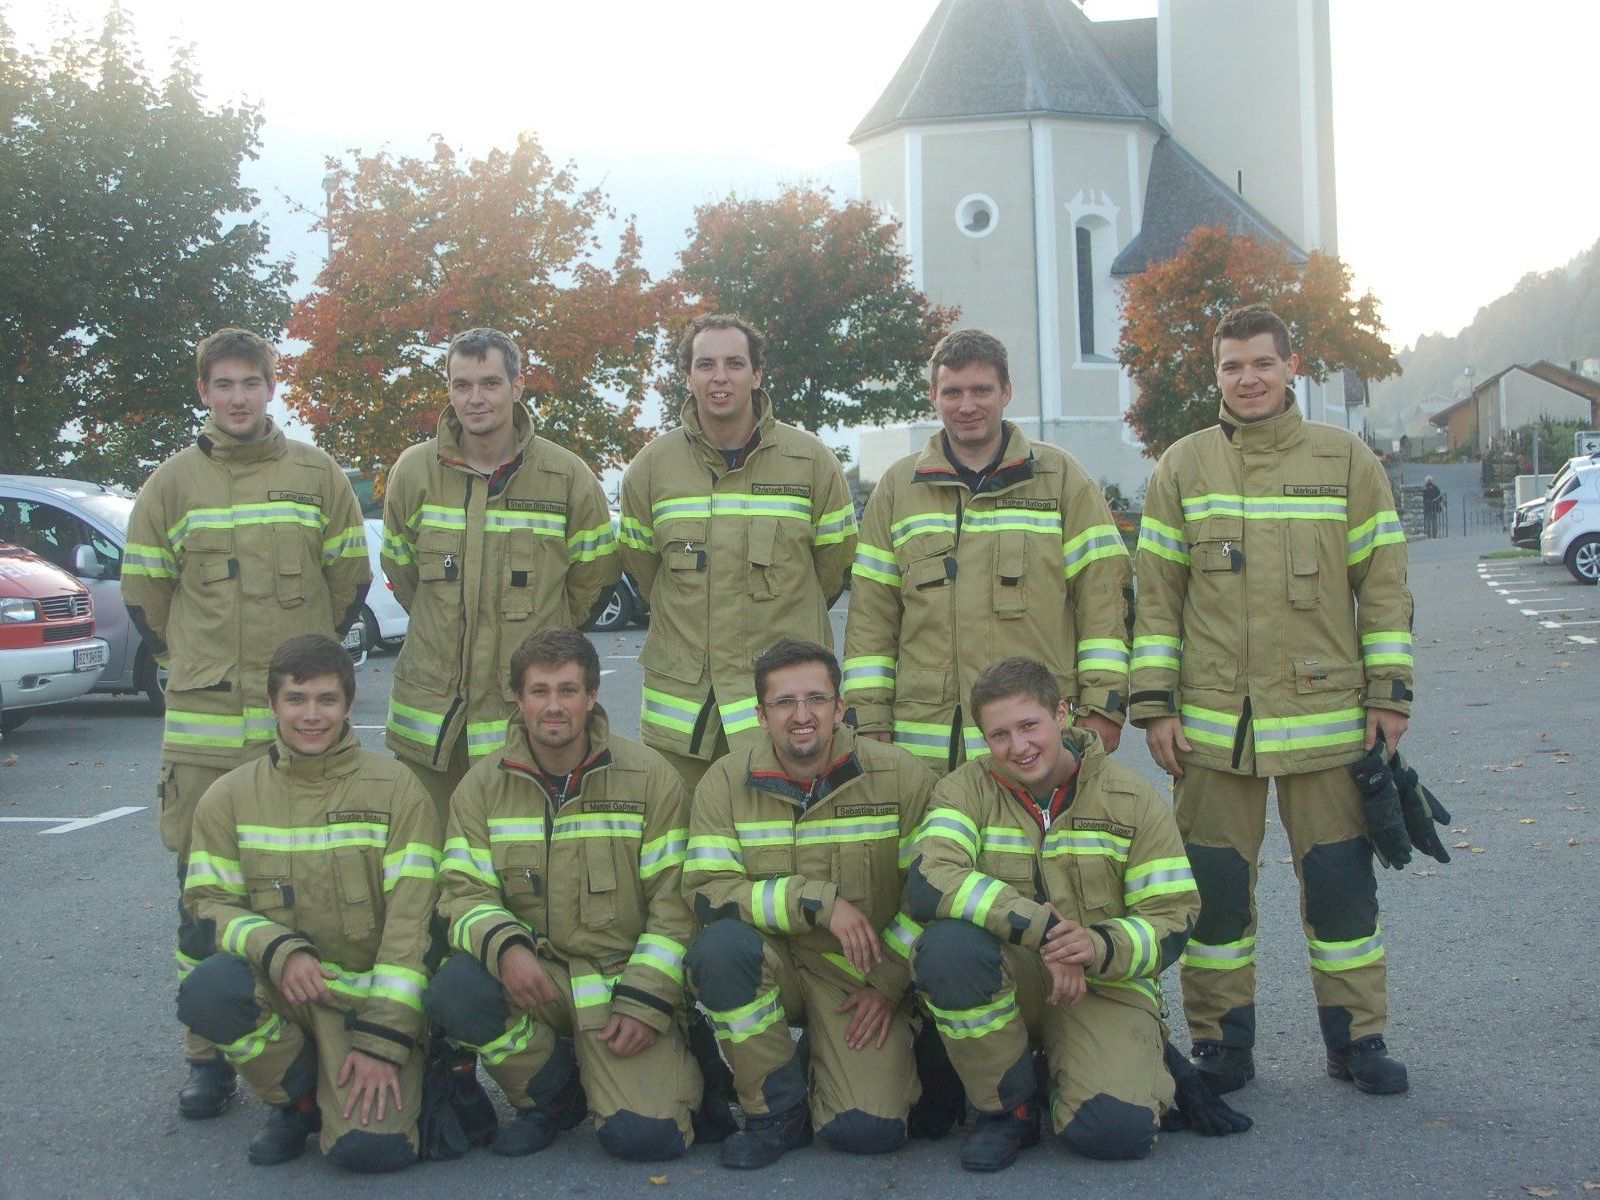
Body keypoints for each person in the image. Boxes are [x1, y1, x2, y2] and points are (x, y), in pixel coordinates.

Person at [1132, 304, 1414, 1096]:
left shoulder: (1346, 459)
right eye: (1232, 366)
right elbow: (1156, 598)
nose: (1248, 378)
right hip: (1214, 729)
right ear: (1216, 374)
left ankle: (1358, 1039)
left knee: (1341, 886)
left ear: (1292, 367)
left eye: (1262, 363)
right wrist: (1156, 706)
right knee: (1216, 893)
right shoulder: (1183, 466)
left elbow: (1384, 585)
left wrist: (1390, 695)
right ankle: (1221, 1044)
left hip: (1329, 721)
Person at [122, 328, 371, 1119]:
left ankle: (309, 1041)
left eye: (250, 382)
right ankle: (208, 1055)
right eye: (222, 384)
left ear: (271, 386)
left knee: (316, 887)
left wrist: (305, 670)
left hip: (298, 735)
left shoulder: (317, 475)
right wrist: (196, 662)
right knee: (202, 894)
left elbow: (348, 580)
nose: (237, 397)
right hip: (204, 735)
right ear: (203, 391)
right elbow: (146, 597)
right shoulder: (170, 485)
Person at [906, 657, 1200, 1172]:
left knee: (1114, 1133)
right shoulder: (962, 790)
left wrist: (1097, 946)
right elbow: (931, 878)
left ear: (1061, 714)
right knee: (948, 949)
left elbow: (1173, 917)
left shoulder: (1132, 798)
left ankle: (1075, 1070)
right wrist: (1044, 932)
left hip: (1101, 982)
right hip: (1010, 976)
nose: (1017, 747)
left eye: (1029, 726)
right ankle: (1006, 1110)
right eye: (999, 735)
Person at [424, 627, 702, 1161]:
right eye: (540, 691)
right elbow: (461, 892)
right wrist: (506, 947)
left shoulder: (649, 778)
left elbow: (676, 903)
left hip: (621, 981)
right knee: (456, 988)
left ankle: (677, 1056)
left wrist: (646, 999)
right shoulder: (481, 787)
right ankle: (548, 1098)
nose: (554, 706)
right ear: (518, 698)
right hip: (536, 976)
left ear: (592, 696)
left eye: (568, 690)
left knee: (645, 1140)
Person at [176, 635, 440, 1172]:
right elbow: (207, 905)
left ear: (349, 704)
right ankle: (295, 1102)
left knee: (370, 1153)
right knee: (210, 989)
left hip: (366, 1006)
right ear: (273, 704)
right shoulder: (228, 797)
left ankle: (401, 1074)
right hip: (285, 993)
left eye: (326, 700)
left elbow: (412, 927)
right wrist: (279, 949)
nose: (312, 716)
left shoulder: (397, 790)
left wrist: (385, 1036)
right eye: (296, 699)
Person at [682, 640, 936, 1169]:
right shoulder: (724, 782)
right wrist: (813, 901)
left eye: (816, 699)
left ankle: (825, 1059)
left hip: (858, 977)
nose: (802, 716)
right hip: (768, 962)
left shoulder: (899, 775)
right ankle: (775, 1110)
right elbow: (709, 890)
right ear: (761, 715)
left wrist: (889, 983)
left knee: (867, 1131)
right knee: (720, 949)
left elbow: (929, 894)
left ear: (839, 708)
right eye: (784, 703)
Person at [842, 328, 1131, 775]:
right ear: (933, 396)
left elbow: (1103, 597)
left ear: (1006, 392)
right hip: (927, 740)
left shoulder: (1060, 479)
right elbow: (871, 615)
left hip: (1033, 736)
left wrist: (1103, 705)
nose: (967, 405)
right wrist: (869, 713)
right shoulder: (898, 489)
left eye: (982, 390)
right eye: (952, 392)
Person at [381, 328, 619, 819]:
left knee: (519, 853)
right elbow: (403, 573)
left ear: (517, 386)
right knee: (425, 852)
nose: (476, 398)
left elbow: (594, 579)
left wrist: (548, 638)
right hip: (433, 726)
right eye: (462, 385)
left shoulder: (566, 477)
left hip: (525, 725)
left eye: (490, 383)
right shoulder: (414, 472)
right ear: (449, 389)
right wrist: (441, 620)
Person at [618, 315, 857, 790]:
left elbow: (834, 569)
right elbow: (643, 568)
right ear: (688, 377)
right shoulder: (651, 468)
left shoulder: (811, 462)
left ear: (757, 374)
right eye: (705, 364)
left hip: (785, 714)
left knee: (780, 831)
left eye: (734, 363)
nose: (720, 377)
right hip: (685, 722)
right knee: (682, 832)